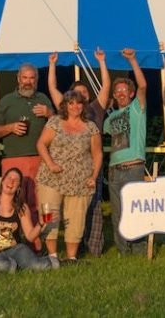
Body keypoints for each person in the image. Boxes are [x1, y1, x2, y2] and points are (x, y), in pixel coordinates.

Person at [47, 49, 111, 257]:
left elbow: (106, 87)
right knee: (69, 209)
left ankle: (93, 248)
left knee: (93, 208)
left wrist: (101, 62)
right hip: (68, 169)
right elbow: (52, 88)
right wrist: (52, 65)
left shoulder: (96, 108)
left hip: (92, 167)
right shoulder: (66, 112)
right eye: (77, 94)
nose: (81, 96)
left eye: (84, 93)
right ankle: (72, 247)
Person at [35, 90, 102, 261]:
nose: (75, 107)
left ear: (83, 105)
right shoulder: (55, 122)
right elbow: (41, 144)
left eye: (79, 103)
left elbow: (97, 154)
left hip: (80, 179)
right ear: (65, 105)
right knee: (49, 215)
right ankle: (52, 256)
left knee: (76, 219)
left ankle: (71, 258)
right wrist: (50, 163)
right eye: (71, 103)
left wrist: (93, 176)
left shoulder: (91, 127)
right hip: (52, 178)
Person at [0, 63, 54, 215]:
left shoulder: (43, 99)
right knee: (13, 199)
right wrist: (11, 128)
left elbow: (58, 127)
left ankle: (36, 237)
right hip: (13, 159)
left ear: (37, 80)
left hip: (39, 159)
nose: (28, 82)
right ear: (18, 79)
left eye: (32, 78)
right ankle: (12, 234)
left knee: (39, 201)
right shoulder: (6, 101)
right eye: (25, 78)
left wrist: (49, 114)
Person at [104, 48, 148, 255]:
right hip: (114, 169)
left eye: (124, 91)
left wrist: (132, 60)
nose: (121, 94)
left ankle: (139, 250)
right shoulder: (110, 118)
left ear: (130, 94)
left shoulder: (137, 109)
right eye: (117, 92)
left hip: (133, 168)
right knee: (117, 213)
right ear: (114, 95)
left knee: (136, 210)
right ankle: (123, 251)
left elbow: (143, 85)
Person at [0, 168, 58, 272]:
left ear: (18, 187)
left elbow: (30, 236)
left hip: (16, 250)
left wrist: (40, 223)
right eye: (9, 178)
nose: (11, 182)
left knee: (37, 266)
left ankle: (56, 262)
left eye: (15, 180)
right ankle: (19, 266)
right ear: (2, 181)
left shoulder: (22, 207)